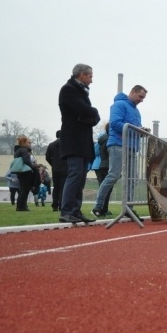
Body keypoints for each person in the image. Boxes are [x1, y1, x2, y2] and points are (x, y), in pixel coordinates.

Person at [92, 85, 147, 219]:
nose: (142, 100)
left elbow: (133, 128)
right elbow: (115, 123)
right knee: (113, 175)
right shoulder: (119, 105)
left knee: (133, 179)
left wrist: (141, 131)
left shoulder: (136, 111)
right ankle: (98, 206)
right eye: (140, 96)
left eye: (143, 98)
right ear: (132, 92)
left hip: (132, 147)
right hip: (117, 144)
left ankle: (128, 208)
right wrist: (136, 129)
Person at [58, 64, 100, 224]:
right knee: (75, 175)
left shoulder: (81, 92)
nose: (92, 80)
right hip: (73, 140)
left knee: (81, 177)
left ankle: (75, 210)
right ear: (82, 75)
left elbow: (92, 117)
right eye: (90, 76)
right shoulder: (68, 89)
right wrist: (92, 112)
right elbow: (85, 110)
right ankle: (66, 210)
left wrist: (90, 115)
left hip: (83, 141)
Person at [11, 135, 41, 212]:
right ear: (23, 143)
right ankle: (21, 207)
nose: (30, 144)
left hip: (21, 172)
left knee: (22, 190)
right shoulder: (24, 150)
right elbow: (27, 161)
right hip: (26, 172)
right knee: (25, 190)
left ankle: (22, 206)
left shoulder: (18, 150)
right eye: (28, 142)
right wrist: (34, 166)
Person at [45, 130, 67, 212]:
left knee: (56, 187)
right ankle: (62, 204)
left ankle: (55, 205)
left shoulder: (51, 145)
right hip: (65, 168)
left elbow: (47, 157)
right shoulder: (66, 144)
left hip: (55, 169)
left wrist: (53, 164)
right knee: (63, 187)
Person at [92, 123, 111, 216]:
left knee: (105, 187)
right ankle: (100, 208)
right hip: (102, 165)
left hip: (100, 166)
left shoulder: (100, 140)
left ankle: (103, 208)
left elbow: (95, 152)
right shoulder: (107, 140)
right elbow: (94, 153)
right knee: (105, 187)